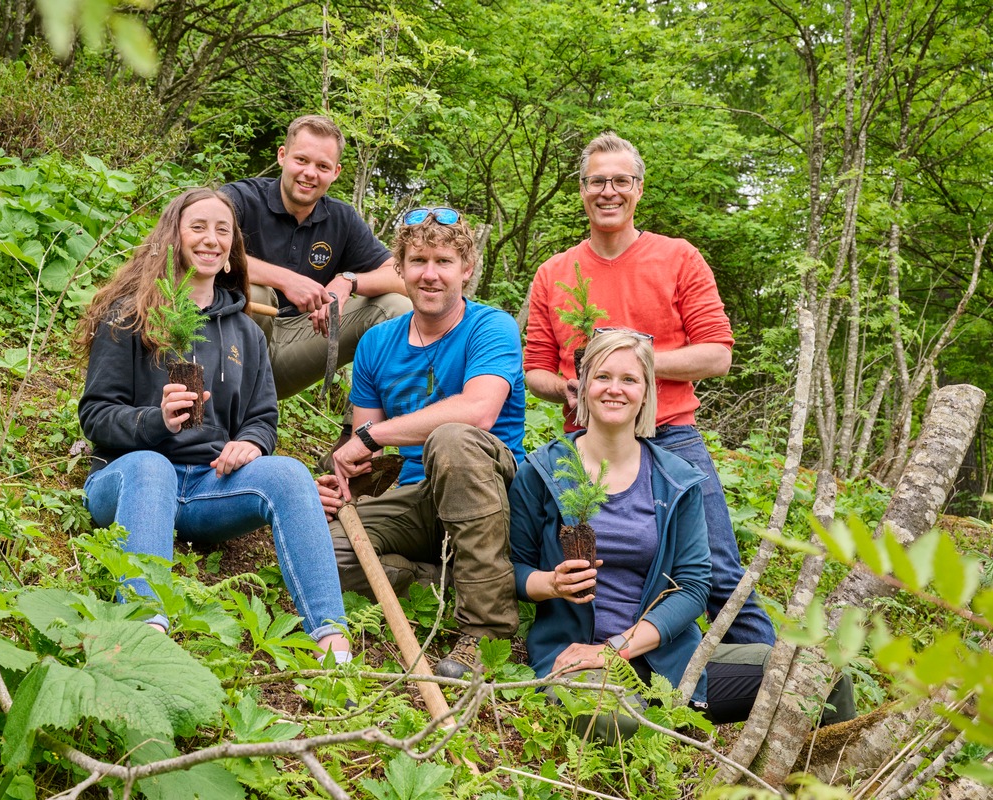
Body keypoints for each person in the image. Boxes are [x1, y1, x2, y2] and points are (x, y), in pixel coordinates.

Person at [509, 330, 853, 741]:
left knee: (821, 676)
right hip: (575, 657)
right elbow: (512, 568)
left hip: (671, 662)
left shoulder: (677, 480)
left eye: (630, 379)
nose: (614, 389)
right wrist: (548, 583)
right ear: (582, 386)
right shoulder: (543, 471)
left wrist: (617, 647)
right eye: (602, 377)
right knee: (615, 723)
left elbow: (693, 589)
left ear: (647, 391)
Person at [76, 187, 350, 663]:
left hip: (208, 487)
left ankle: (331, 642)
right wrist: (154, 421)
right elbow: (96, 415)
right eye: (197, 227)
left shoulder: (244, 329)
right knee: (151, 468)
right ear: (173, 239)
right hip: (129, 481)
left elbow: (263, 417)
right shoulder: (128, 315)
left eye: (222, 230)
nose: (211, 239)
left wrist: (250, 444)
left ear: (232, 250)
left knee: (289, 473)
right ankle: (147, 635)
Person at [524, 131, 776, 647]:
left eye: (621, 180)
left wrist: (629, 365)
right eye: (597, 181)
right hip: (588, 447)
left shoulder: (678, 258)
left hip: (670, 437)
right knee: (591, 575)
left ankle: (762, 680)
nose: (608, 191)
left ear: (638, 189)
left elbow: (717, 354)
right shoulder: (554, 273)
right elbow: (535, 371)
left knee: (720, 574)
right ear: (582, 189)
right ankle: (601, 677)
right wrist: (571, 387)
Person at [317, 208, 525, 679]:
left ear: (466, 270)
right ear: (400, 269)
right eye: (418, 261)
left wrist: (371, 435)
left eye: (444, 261)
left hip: (494, 494)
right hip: (417, 495)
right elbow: (362, 454)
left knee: (452, 439)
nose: (430, 274)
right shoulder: (376, 343)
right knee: (326, 551)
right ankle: (442, 581)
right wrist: (342, 477)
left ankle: (486, 630)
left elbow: (479, 411)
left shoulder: (491, 327)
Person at [221, 114, 412, 405]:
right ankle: (225, 418)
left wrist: (349, 281)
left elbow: (403, 276)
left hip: (298, 342)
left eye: (322, 166)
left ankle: (359, 435)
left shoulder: (341, 219)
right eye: (302, 160)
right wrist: (286, 280)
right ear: (282, 156)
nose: (310, 173)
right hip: (223, 353)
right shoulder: (241, 199)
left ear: (335, 172)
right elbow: (198, 250)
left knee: (396, 307)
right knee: (256, 291)